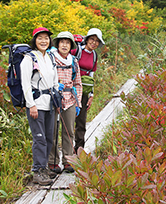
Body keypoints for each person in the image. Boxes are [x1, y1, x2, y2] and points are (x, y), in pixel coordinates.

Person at [21, 27, 59, 186]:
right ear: (34, 41)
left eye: (46, 38)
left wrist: (57, 100)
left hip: (50, 104)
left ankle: (44, 168)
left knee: (49, 137)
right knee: (39, 139)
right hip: (36, 105)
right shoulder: (28, 59)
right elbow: (25, 85)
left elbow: (55, 80)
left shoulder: (50, 57)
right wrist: (31, 105)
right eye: (40, 38)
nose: (44, 41)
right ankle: (37, 170)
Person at [48, 31, 83, 174]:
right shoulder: (51, 59)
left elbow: (78, 83)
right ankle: (53, 161)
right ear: (57, 44)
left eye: (67, 43)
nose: (64, 45)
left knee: (69, 130)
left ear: (71, 46)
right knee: (53, 131)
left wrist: (78, 102)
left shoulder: (73, 61)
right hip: (53, 98)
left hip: (69, 99)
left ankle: (68, 160)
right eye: (62, 42)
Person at [71, 28, 104, 154]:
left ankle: (79, 150)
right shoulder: (77, 51)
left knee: (81, 121)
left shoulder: (94, 55)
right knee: (69, 120)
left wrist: (91, 95)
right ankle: (68, 151)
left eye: (96, 41)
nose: (94, 43)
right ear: (87, 39)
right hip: (71, 90)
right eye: (92, 39)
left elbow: (91, 76)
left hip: (84, 91)